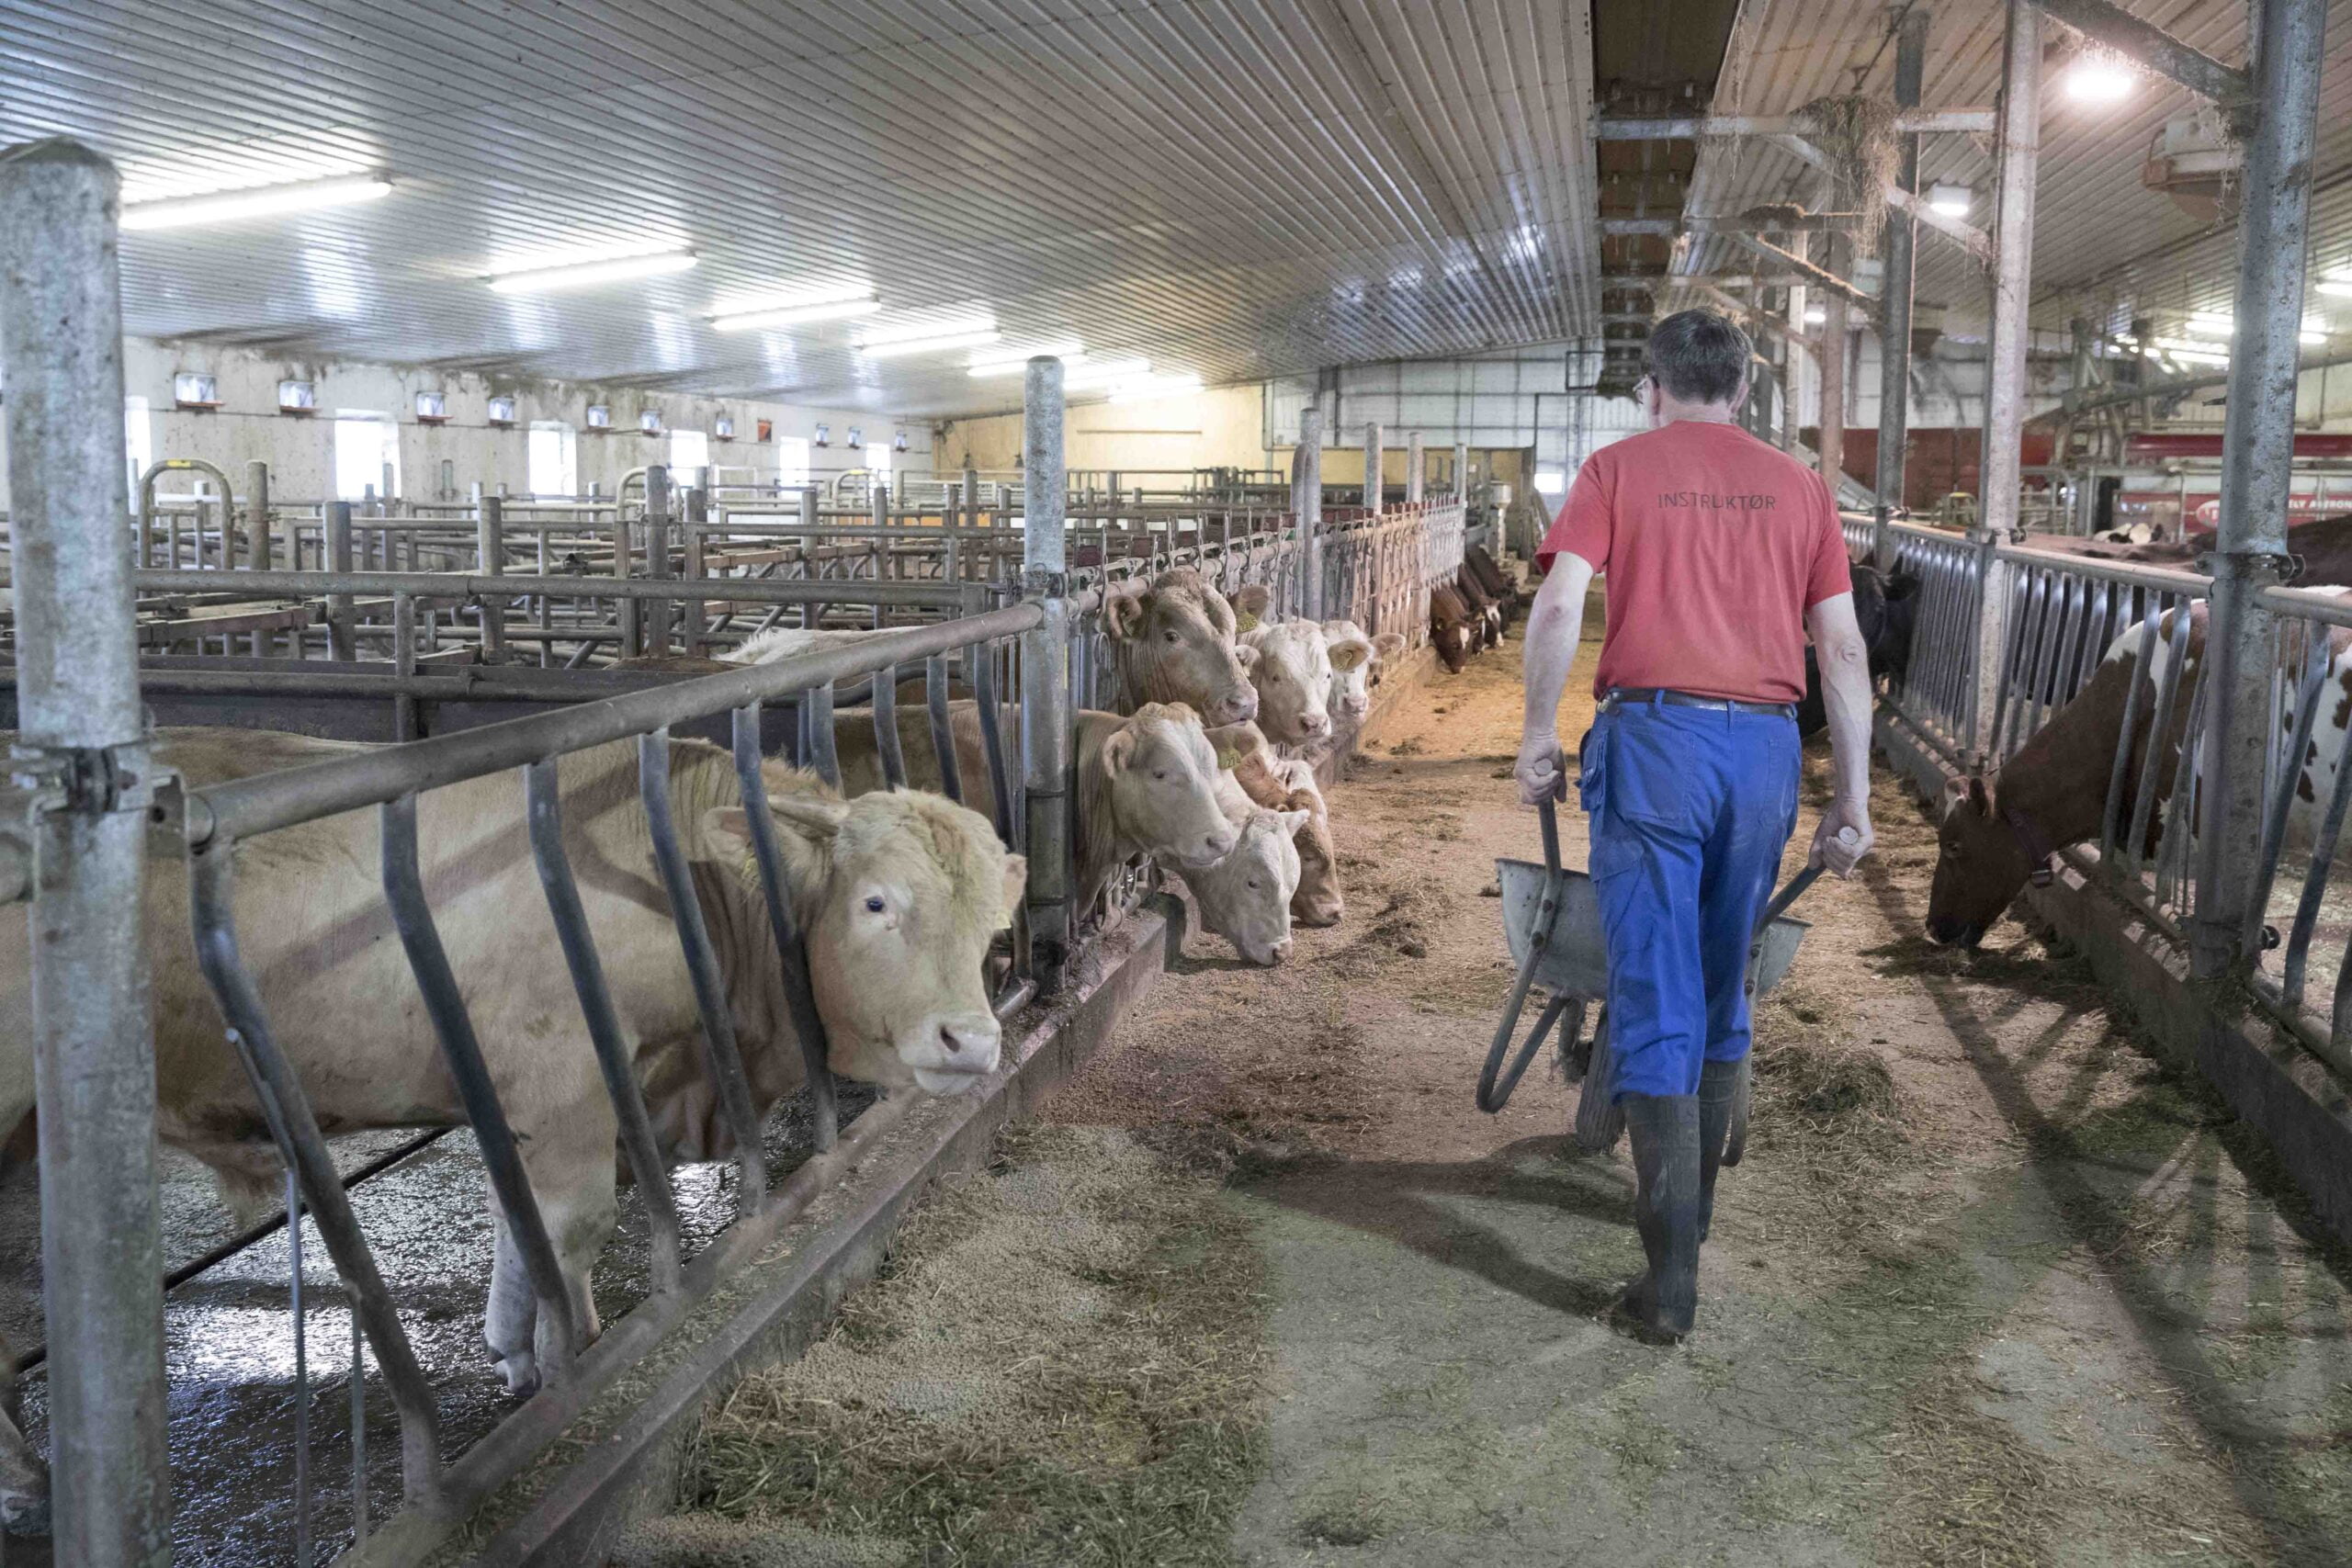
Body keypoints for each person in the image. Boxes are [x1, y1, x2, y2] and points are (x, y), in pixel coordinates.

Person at [1513, 309, 1877, 1343]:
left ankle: (1668, 1285)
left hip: (1656, 745)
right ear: (1742, 387)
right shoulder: (1801, 487)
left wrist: (1537, 734)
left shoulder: (1617, 470)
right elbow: (1842, 656)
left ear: (1653, 386)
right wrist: (1849, 801)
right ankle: (1695, 1227)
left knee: (1655, 990)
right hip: (1763, 754)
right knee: (1725, 981)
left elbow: (1554, 607)